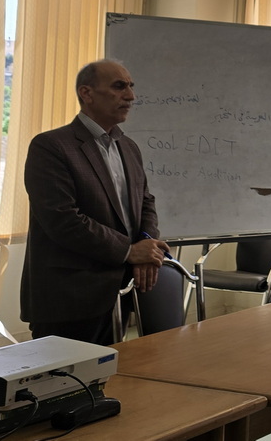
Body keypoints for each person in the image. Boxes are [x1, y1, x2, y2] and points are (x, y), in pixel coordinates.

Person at [20, 59, 170, 345]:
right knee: (65, 374)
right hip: (70, 296)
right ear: (86, 93)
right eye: (119, 86)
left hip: (121, 290)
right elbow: (62, 219)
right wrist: (129, 251)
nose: (130, 96)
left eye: (131, 86)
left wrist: (146, 244)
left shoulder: (129, 147)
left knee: (117, 371)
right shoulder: (51, 146)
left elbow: (145, 202)